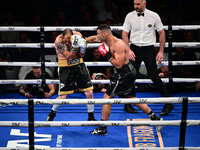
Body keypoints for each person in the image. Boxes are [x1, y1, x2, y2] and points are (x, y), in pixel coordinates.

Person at [90, 24, 163, 135]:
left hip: (124, 72)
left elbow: (118, 65)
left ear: (105, 34)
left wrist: (106, 55)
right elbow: (93, 39)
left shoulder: (118, 44)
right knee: (131, 97)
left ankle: (102, 128)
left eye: (98, 33)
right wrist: (83, 40)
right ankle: (155, 118)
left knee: (107, 97)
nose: (97, 36)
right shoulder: (106, 40)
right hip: (126, 72)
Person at [122, 0, 174, 116]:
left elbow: (161, 33)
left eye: (138, 4)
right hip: (134, 49)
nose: (136, 6)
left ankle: (168, 103)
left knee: (154, 76)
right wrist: (128, 49)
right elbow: (124, 33)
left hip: (149, 49)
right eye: (134, 4)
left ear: (144, 3)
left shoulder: (154, 16)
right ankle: (128, 104)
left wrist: (161, 51)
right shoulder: (130, 16)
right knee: (131, 76)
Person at [47, 28, 96, 121]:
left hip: (79, 65)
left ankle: (91, 117)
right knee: (63, 95)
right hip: (65, 68)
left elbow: (81, 56)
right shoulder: (59, 40)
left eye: (69, 41)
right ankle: (52, 113)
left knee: (89, 92)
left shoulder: (78, 35)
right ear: (62, 36)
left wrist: (82, 48)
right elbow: (69, 57)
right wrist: (74, 46)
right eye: (66, 41)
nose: (68, 43)